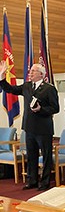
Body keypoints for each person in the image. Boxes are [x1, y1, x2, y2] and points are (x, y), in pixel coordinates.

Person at [0, 62, 59, 191]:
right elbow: (11, 89)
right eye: (30, 71)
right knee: (31, 156)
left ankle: (45, 182)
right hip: (29, 127)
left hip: (44, 129)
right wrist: (2, 77)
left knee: (46, 156)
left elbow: (55, 108)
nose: (30, 73)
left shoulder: (49, 88)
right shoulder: (27, 86)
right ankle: (32, 181)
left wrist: (41, 109)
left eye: (33, 71)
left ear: (41, 74)